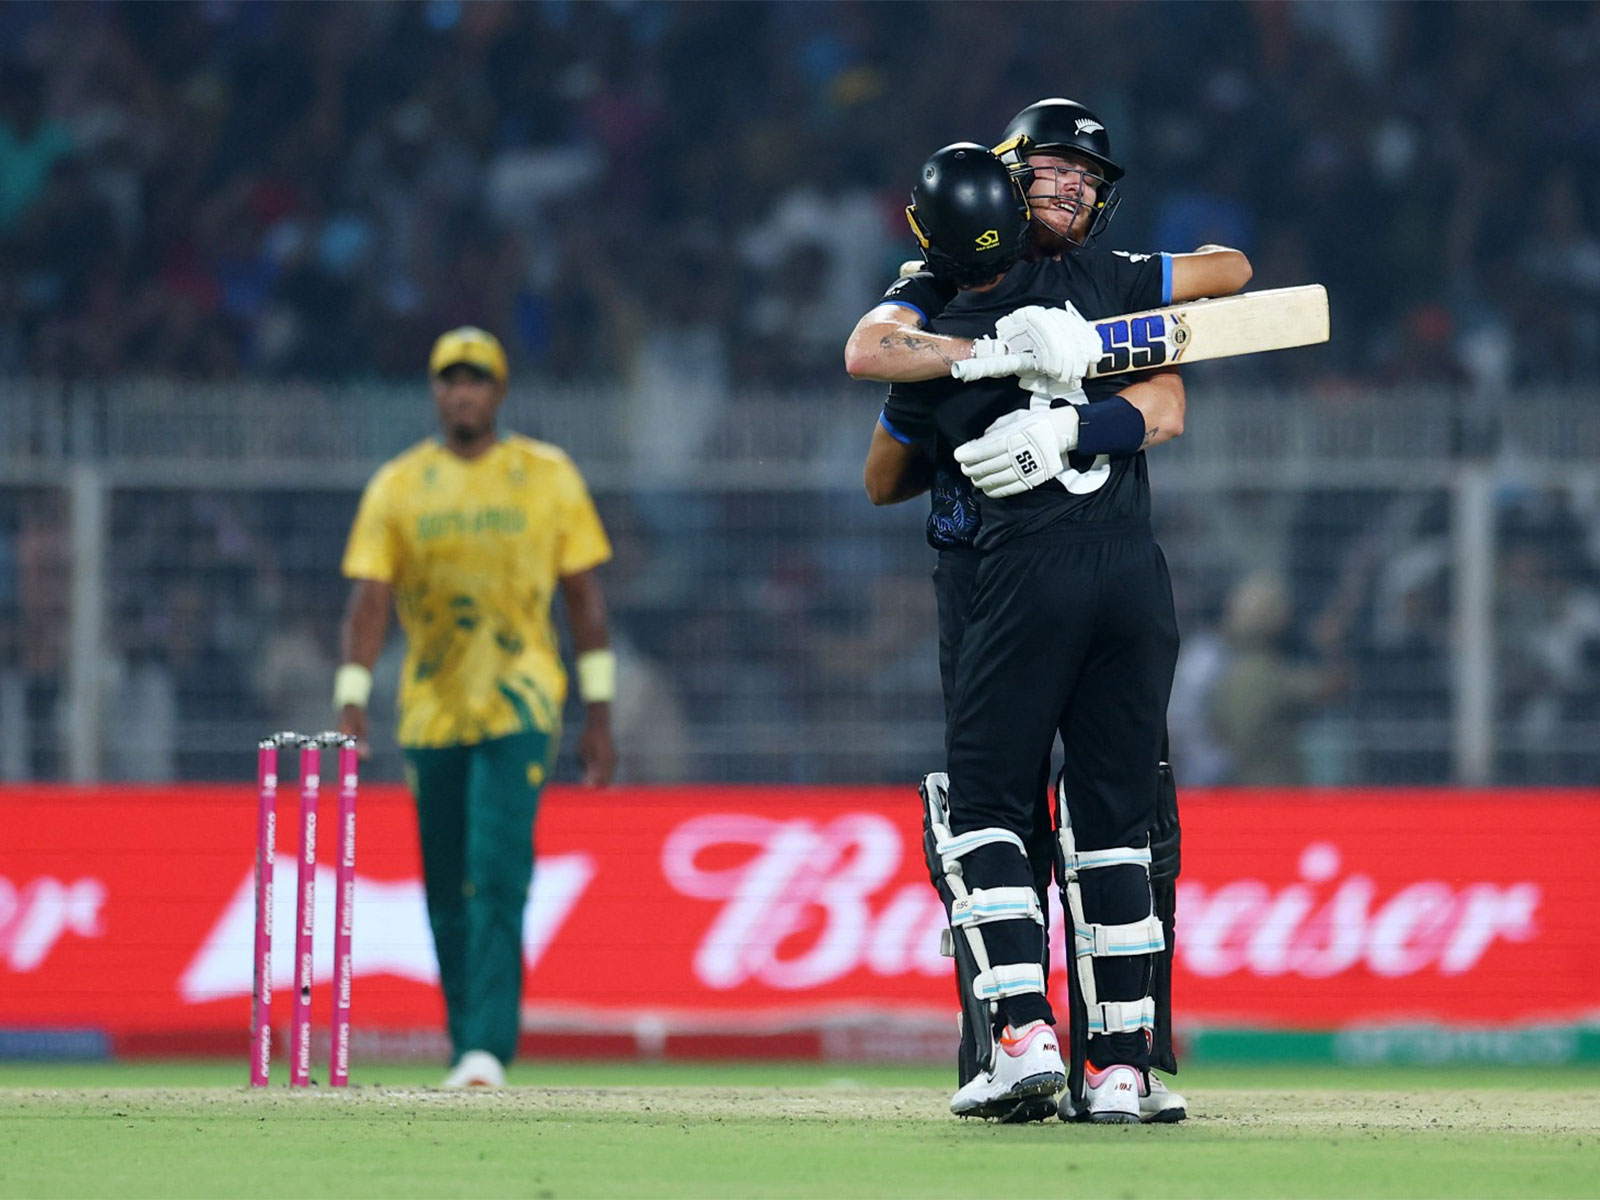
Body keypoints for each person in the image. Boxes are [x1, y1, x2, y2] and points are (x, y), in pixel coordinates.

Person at [858, 102, 1249, 1124]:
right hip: (1109, 576)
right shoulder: (969, 297)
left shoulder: (1074, 287)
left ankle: (1026, 1042)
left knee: (993, 813)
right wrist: (999, 356)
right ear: (1009, 175)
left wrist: (1061, 418)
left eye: (1087, 171)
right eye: (1052, 166)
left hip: (1013, 581)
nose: (1072, 182)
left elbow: (877, 454)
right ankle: (1114, 1068)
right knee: (1112, 822)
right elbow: (1175, 386)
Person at [334, 325, 617, 1088]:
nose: (463, 392)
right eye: (450, 379)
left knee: (495, 869)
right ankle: (468, 1044)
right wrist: (352, 696)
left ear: (498, 391)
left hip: (522, 700)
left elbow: (583, 598)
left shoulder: (545, 475)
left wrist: (599, 712)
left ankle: (487, 1046)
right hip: (429, 709)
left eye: (477, 379)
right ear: (435, 391)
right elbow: (370, 599)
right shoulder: (398, 486)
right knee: (445, 876)